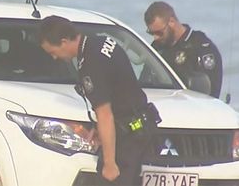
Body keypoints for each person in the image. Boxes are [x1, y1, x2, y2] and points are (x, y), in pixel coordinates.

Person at [38, 15, 160, 186]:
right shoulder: (102, 43)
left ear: (64, 41)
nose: (55, 57)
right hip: (140, 127)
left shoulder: (91, 63)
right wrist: (99, 130)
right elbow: (119, 91)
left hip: (126, 138)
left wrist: (110, 164)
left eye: (53, 52)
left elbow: (105, 114)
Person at [144, 1, 222, 98]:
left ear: (171, 22)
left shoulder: (199, 47)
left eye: (159, 33)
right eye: (151, 33)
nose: (155, 38)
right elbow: (145, 80)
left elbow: (210, 93)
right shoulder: (157, 47)